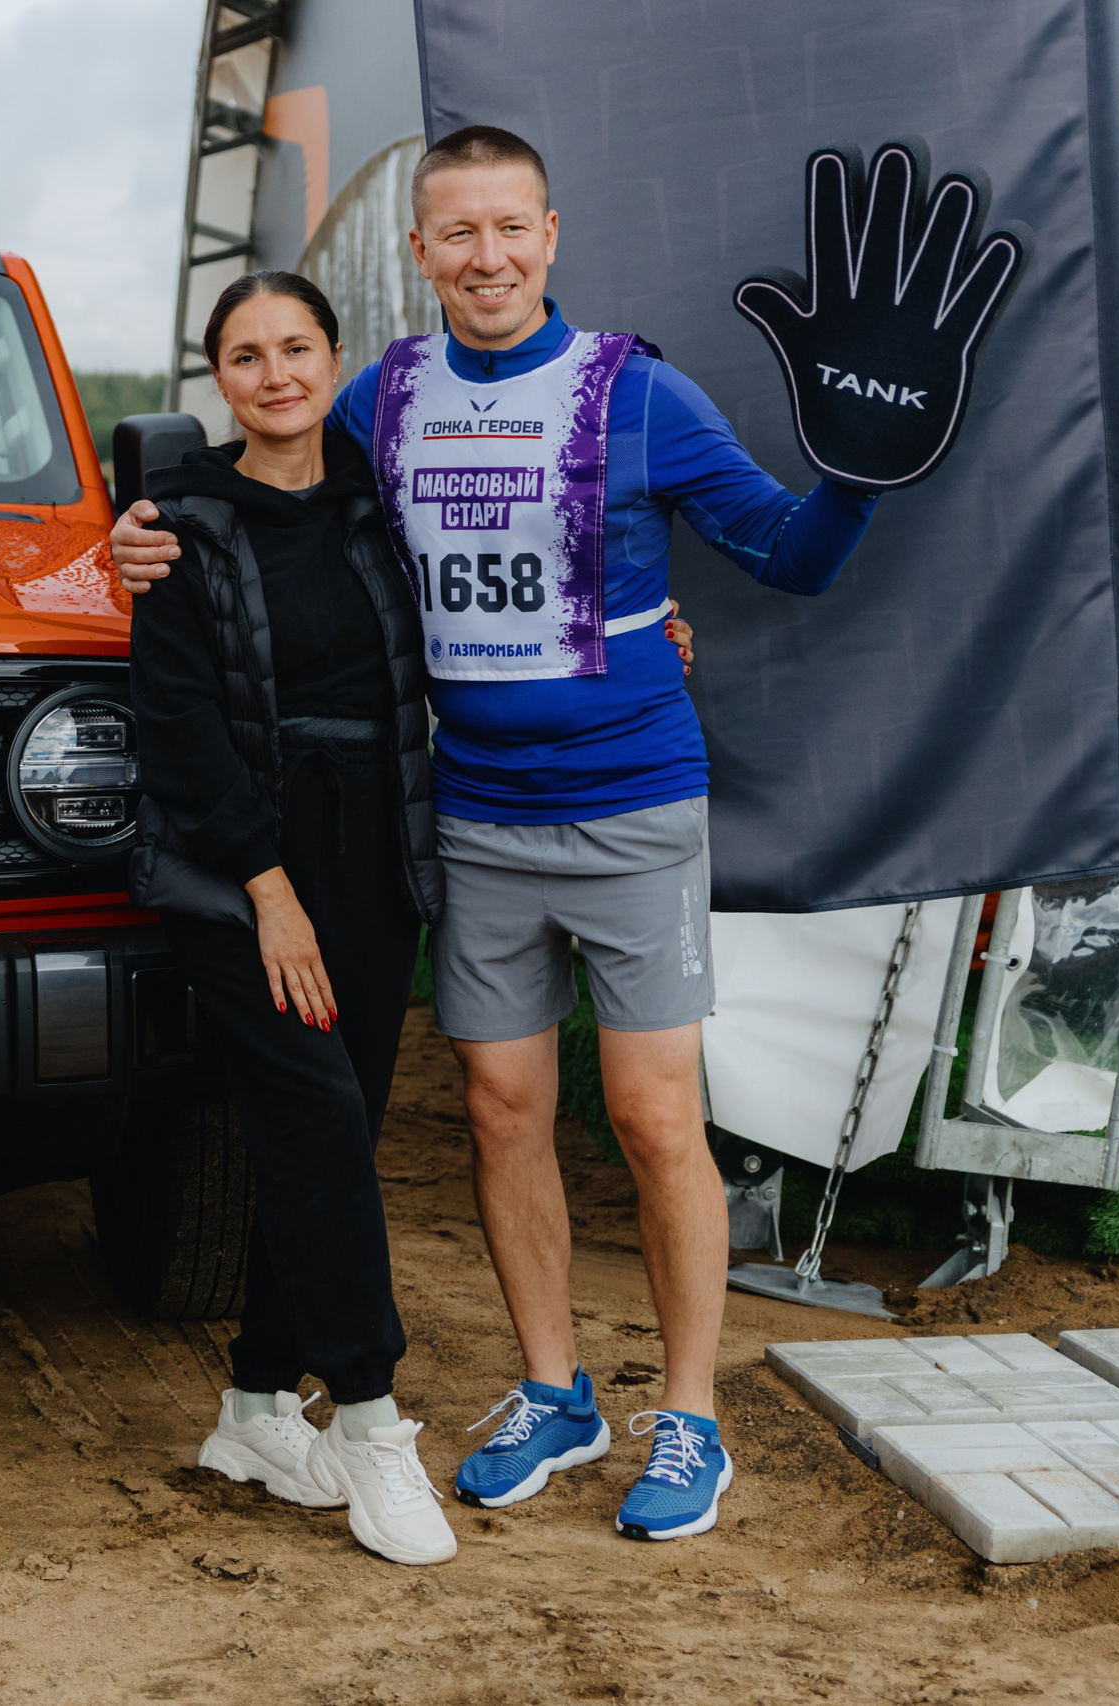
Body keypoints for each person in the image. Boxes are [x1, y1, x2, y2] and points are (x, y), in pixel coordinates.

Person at [115, 126, 877, 1543]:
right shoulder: (381, 401)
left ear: (551, 232)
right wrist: (139, 537)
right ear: (420, 254)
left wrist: (864, 471)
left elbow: (791, 554)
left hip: (634, 799)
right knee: (499, 1112)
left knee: (653, 1119)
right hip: (467, 814)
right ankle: (553, 1389)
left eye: (509, 228)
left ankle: (693, 1417)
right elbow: (273, 488)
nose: (486, 256)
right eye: (456, 233)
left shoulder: (639, 393)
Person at [131, 270, 455, 1567]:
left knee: (337, 1126)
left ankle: (257, 1407)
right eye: (247, 355)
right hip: (239, 868)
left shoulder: (381, 500)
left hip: (372, 845)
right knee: (315, 1112)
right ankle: (373, 1422)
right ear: (220, 380)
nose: (276, 373)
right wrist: (269, 888)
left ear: (335, 360)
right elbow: (179, 724)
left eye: (298, 347)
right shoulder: (180, 523)